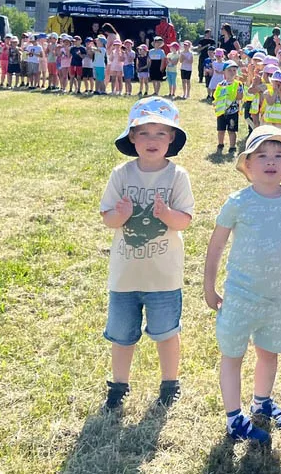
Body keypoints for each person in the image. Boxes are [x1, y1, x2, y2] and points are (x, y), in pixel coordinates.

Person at [203, 126, 281, 443]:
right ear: (247, 165)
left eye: (279, 155)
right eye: (261, 155)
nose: (271, 161)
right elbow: (217, 245)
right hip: (240, 296)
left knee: (269, 353)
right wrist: (209, 285)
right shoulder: (238, 201)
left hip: (276, 297)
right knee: (232, 355)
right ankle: (234, 419)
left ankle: (261, 401)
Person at [98, 97, 194, 412]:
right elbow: (108, 218)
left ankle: (170, 383)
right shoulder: (121, 174)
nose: (152, 140)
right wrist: (121, 214)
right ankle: (118, 385)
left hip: (164, 276)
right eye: (144, 133)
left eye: (160, 133)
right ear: (131, 138)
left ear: (171, 139)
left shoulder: (177, 176)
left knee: (166, 333)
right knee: (122, 336)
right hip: (125, 276)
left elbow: (185, 221)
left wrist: (166, 213)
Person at [213, 61, 244, 155]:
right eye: (229, 70)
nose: (232, 72)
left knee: (232, 130)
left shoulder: (238, 84)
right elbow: (216, 96)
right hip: (222, 111)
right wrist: (215, 103)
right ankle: (220, 144)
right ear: (224, 72)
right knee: (220, 129)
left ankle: (232, 146)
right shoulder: (220, 85)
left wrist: (239, 90)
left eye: (234, 70)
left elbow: (240, 97)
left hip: (232, 111)